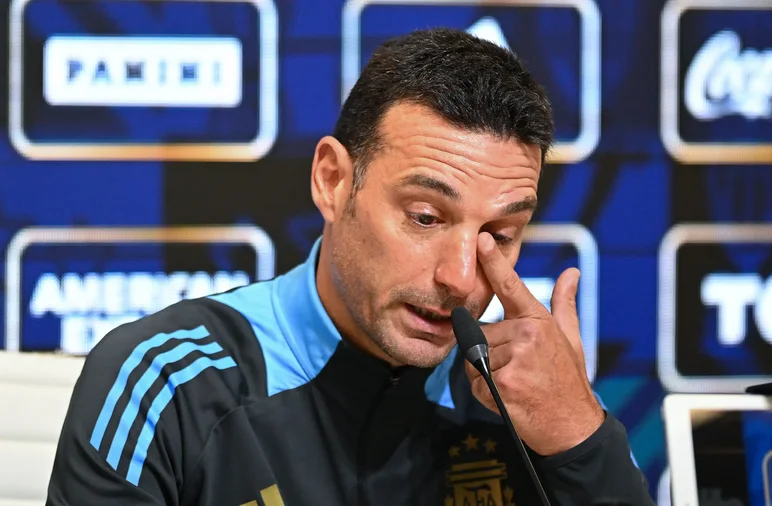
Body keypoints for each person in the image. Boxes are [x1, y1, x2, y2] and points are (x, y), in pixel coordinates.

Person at [46, 28, 655, 506]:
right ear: (333, 182)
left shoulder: (527, 404)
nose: (463, 279)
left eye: (499, 235)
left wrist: (578, 436)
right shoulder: (165, 381)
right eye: (425, 217)